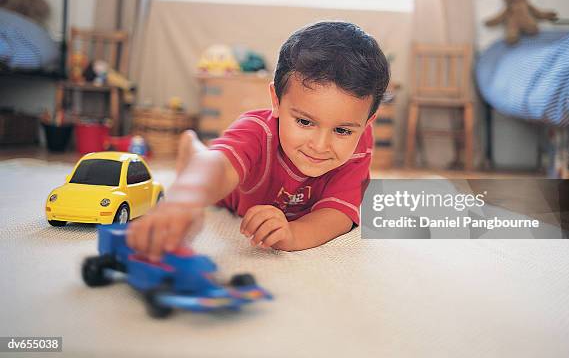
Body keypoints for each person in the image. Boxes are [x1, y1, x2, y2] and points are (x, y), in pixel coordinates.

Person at [126, 21, 390, 258]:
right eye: (304, 122)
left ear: (367, 122)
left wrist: (293, 234)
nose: (320, 145)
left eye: (342, 131)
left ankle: (196, 154)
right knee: (205, 167)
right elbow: (220, 168)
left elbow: (338, 215)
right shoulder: (258, 130)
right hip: (229, 189)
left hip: (283, 208)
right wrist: (184, 200)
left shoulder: (360, 144)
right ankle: (194, 153)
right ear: (276, 101)